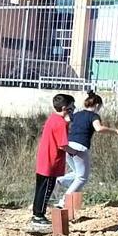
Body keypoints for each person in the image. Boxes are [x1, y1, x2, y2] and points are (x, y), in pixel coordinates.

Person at [56, 91, 118, 207]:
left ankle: (59, 180)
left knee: (77, 173)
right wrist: (115, 131)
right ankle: (63, 202)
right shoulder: (94, 116)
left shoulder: (77, 114)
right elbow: (99, 128)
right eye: (100, 106)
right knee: (82, 178)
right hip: (80, 148)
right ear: (97, 105)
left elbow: (65, 120)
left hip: (69, 145)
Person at [32, 94, 77, 226]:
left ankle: (37, 213)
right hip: (51, 162)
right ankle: (39, 216)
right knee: (46, 189)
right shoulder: (60, 123)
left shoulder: (53, 118)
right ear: (65, 108)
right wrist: (74, 152)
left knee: (40, 188)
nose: (73, 109)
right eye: (71, 107)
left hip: (44, 159)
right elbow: (63, 144)